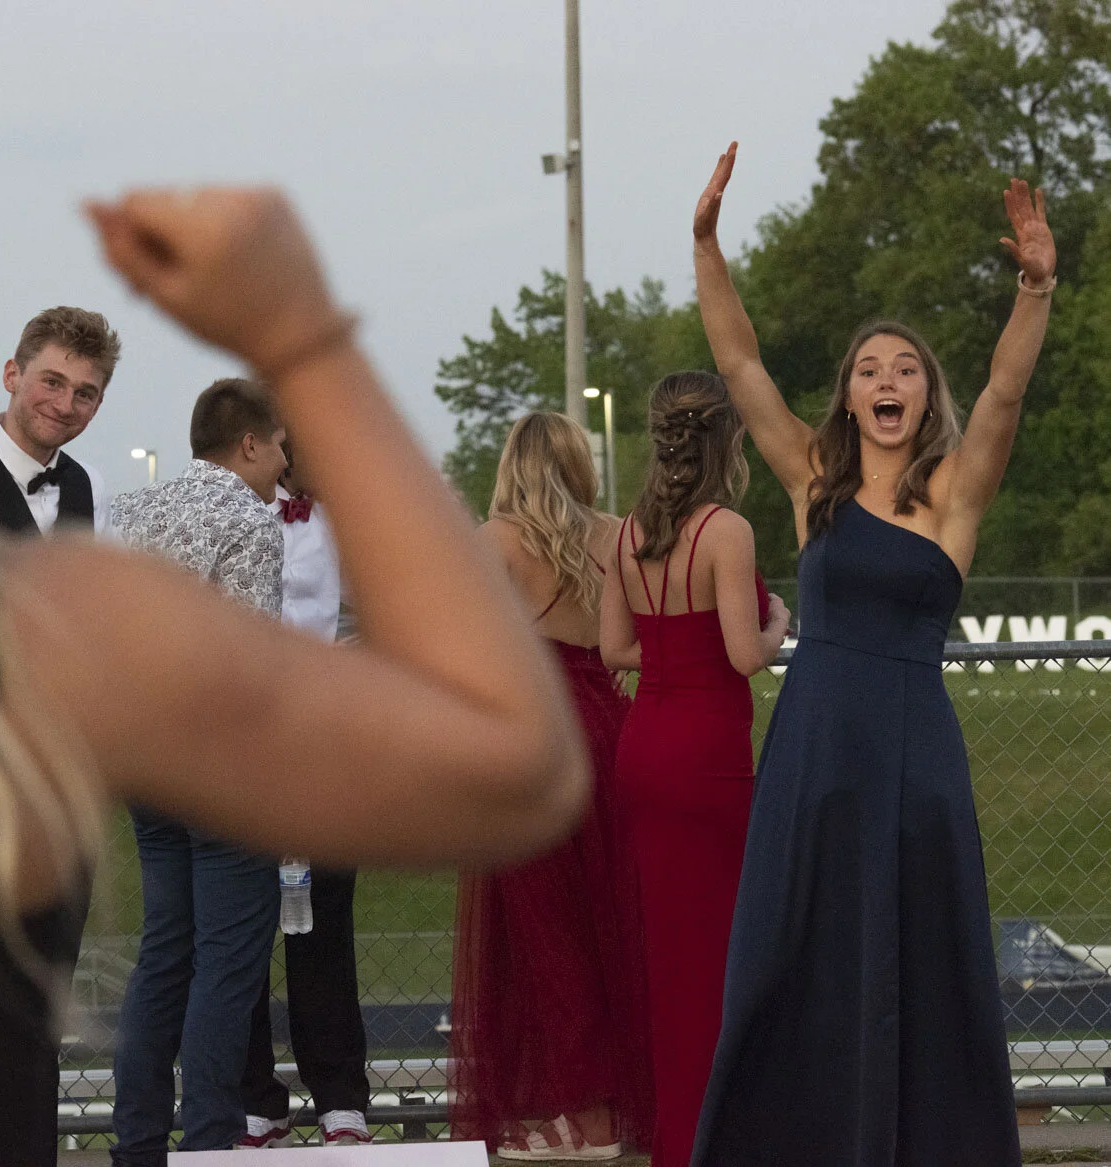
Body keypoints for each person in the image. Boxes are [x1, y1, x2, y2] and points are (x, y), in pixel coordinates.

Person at [0, 3, 590, 1165]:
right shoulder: (41, 622)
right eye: (56, 386)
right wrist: (302, 335)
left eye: (85, 393)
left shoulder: (58, 551)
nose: (65, 409)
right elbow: (512, 761)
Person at [686, 143, 1056, 1165]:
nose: (885, 381)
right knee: (790, 959)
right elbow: (741, 365)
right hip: (815, 755)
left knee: (921, 961)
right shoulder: (815, 482)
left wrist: (1036, 288)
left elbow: (1006, 397)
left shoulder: (955, 496)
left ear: (921, 394)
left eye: (903, 370)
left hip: (916, 758)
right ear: (848, 399)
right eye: (866, 370)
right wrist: (708, 250)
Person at [450, 412, 654, 1161]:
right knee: (615, 927)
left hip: (535, 737)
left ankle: (580, 1115)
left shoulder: (493, 540)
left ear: (511, 465)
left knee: (544, 937)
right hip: (613, 728)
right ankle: (623, 1106)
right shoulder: (620, 534)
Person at [598, 372, 788, 1167]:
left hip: (644, 746)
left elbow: (616, 651)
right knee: (716, 957)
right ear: (726, 440)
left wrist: (673, 655)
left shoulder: (623, 533)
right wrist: (780, 618)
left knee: (667, 963)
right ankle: (717, 1141)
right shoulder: (727, 531)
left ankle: (674, 1140)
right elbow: (747, 654)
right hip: (708, 757)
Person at [106, 379, 290, 1164]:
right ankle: (211, 1141)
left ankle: (138, 1140)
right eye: (281, 444)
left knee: (163, 953)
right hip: (220, 764)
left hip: (145, 757)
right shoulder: (250, 520)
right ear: (248, 443)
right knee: (229, 964)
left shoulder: (131, 513)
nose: (285, 462)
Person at [238, 445, 371, 1150]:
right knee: (245, 928)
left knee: (325, 924)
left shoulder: (355, 522)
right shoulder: (237, 512)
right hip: (247, 744)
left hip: (328, 743)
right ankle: (256, 1098)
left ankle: (341, 1096)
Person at [0, 306, 119, 537]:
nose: (65, 406)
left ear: (97, 405)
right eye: (52, 383)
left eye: (84, 394)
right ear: (11, 376)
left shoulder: (91, 487)